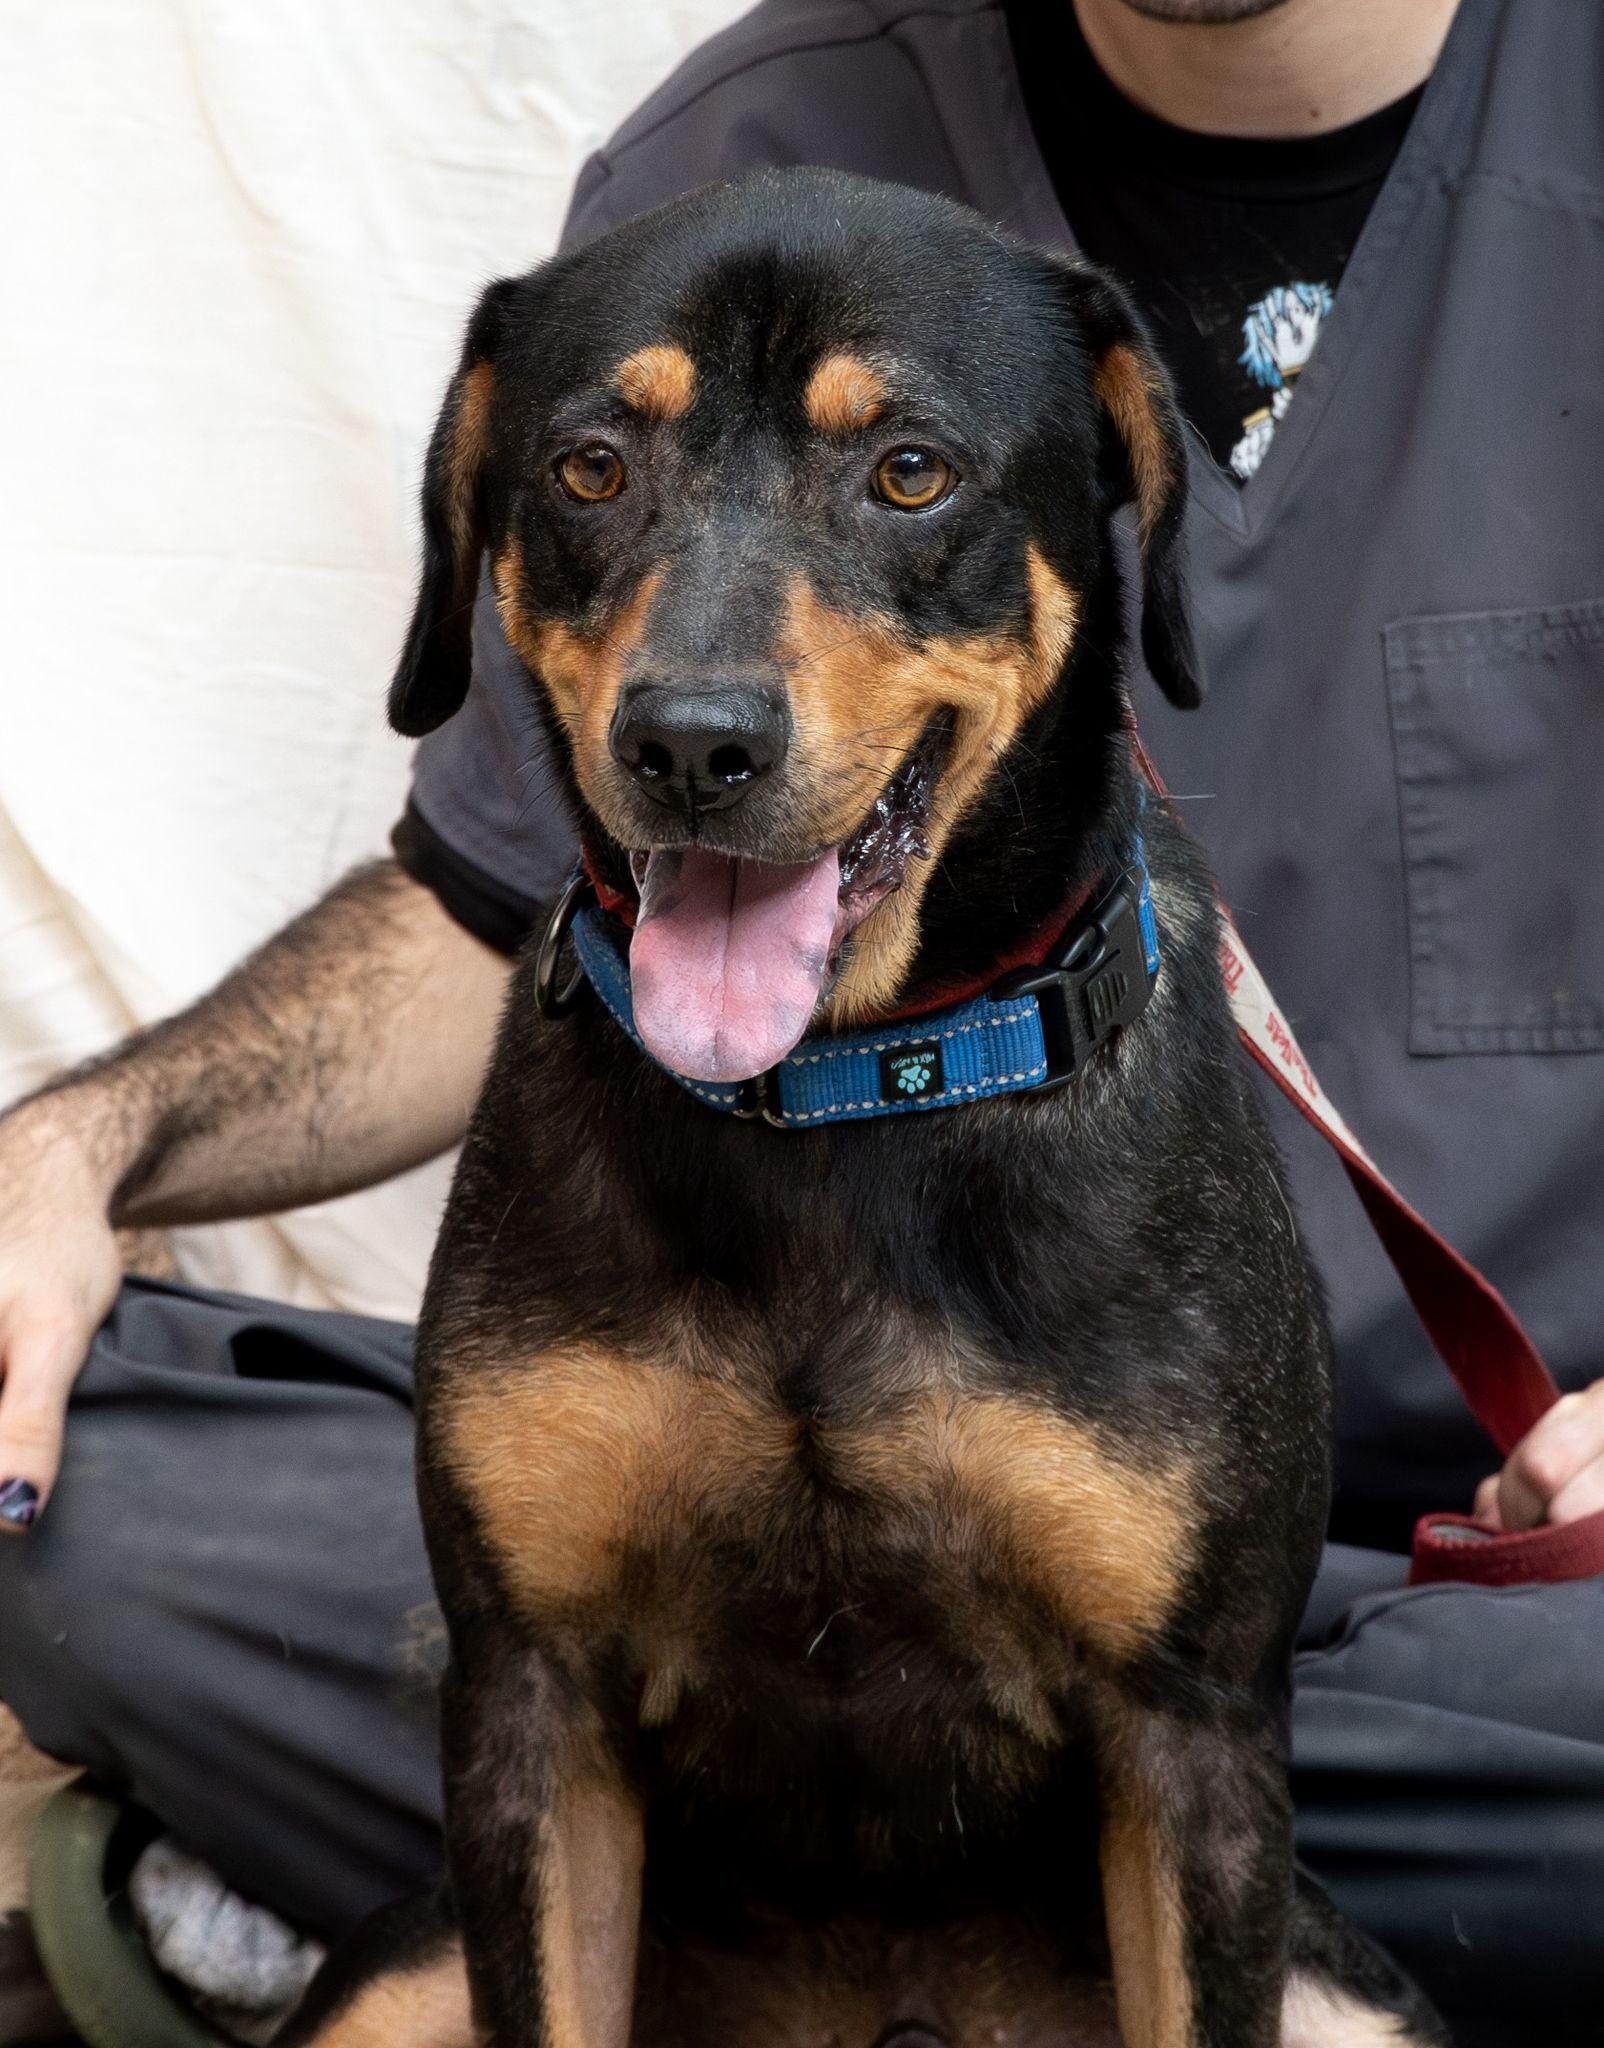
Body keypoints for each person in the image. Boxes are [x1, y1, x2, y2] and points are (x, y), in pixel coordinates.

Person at [1, 1, 1600, 2041]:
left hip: (1465, 1553)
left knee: (1243, 1696)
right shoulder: (757, 133)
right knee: (81, 1484)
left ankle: (370, 1882)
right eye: (600, 469)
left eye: (904, 470)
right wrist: (67, 1147)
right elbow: (484, 906)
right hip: (706, 1431)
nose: (705, 686)